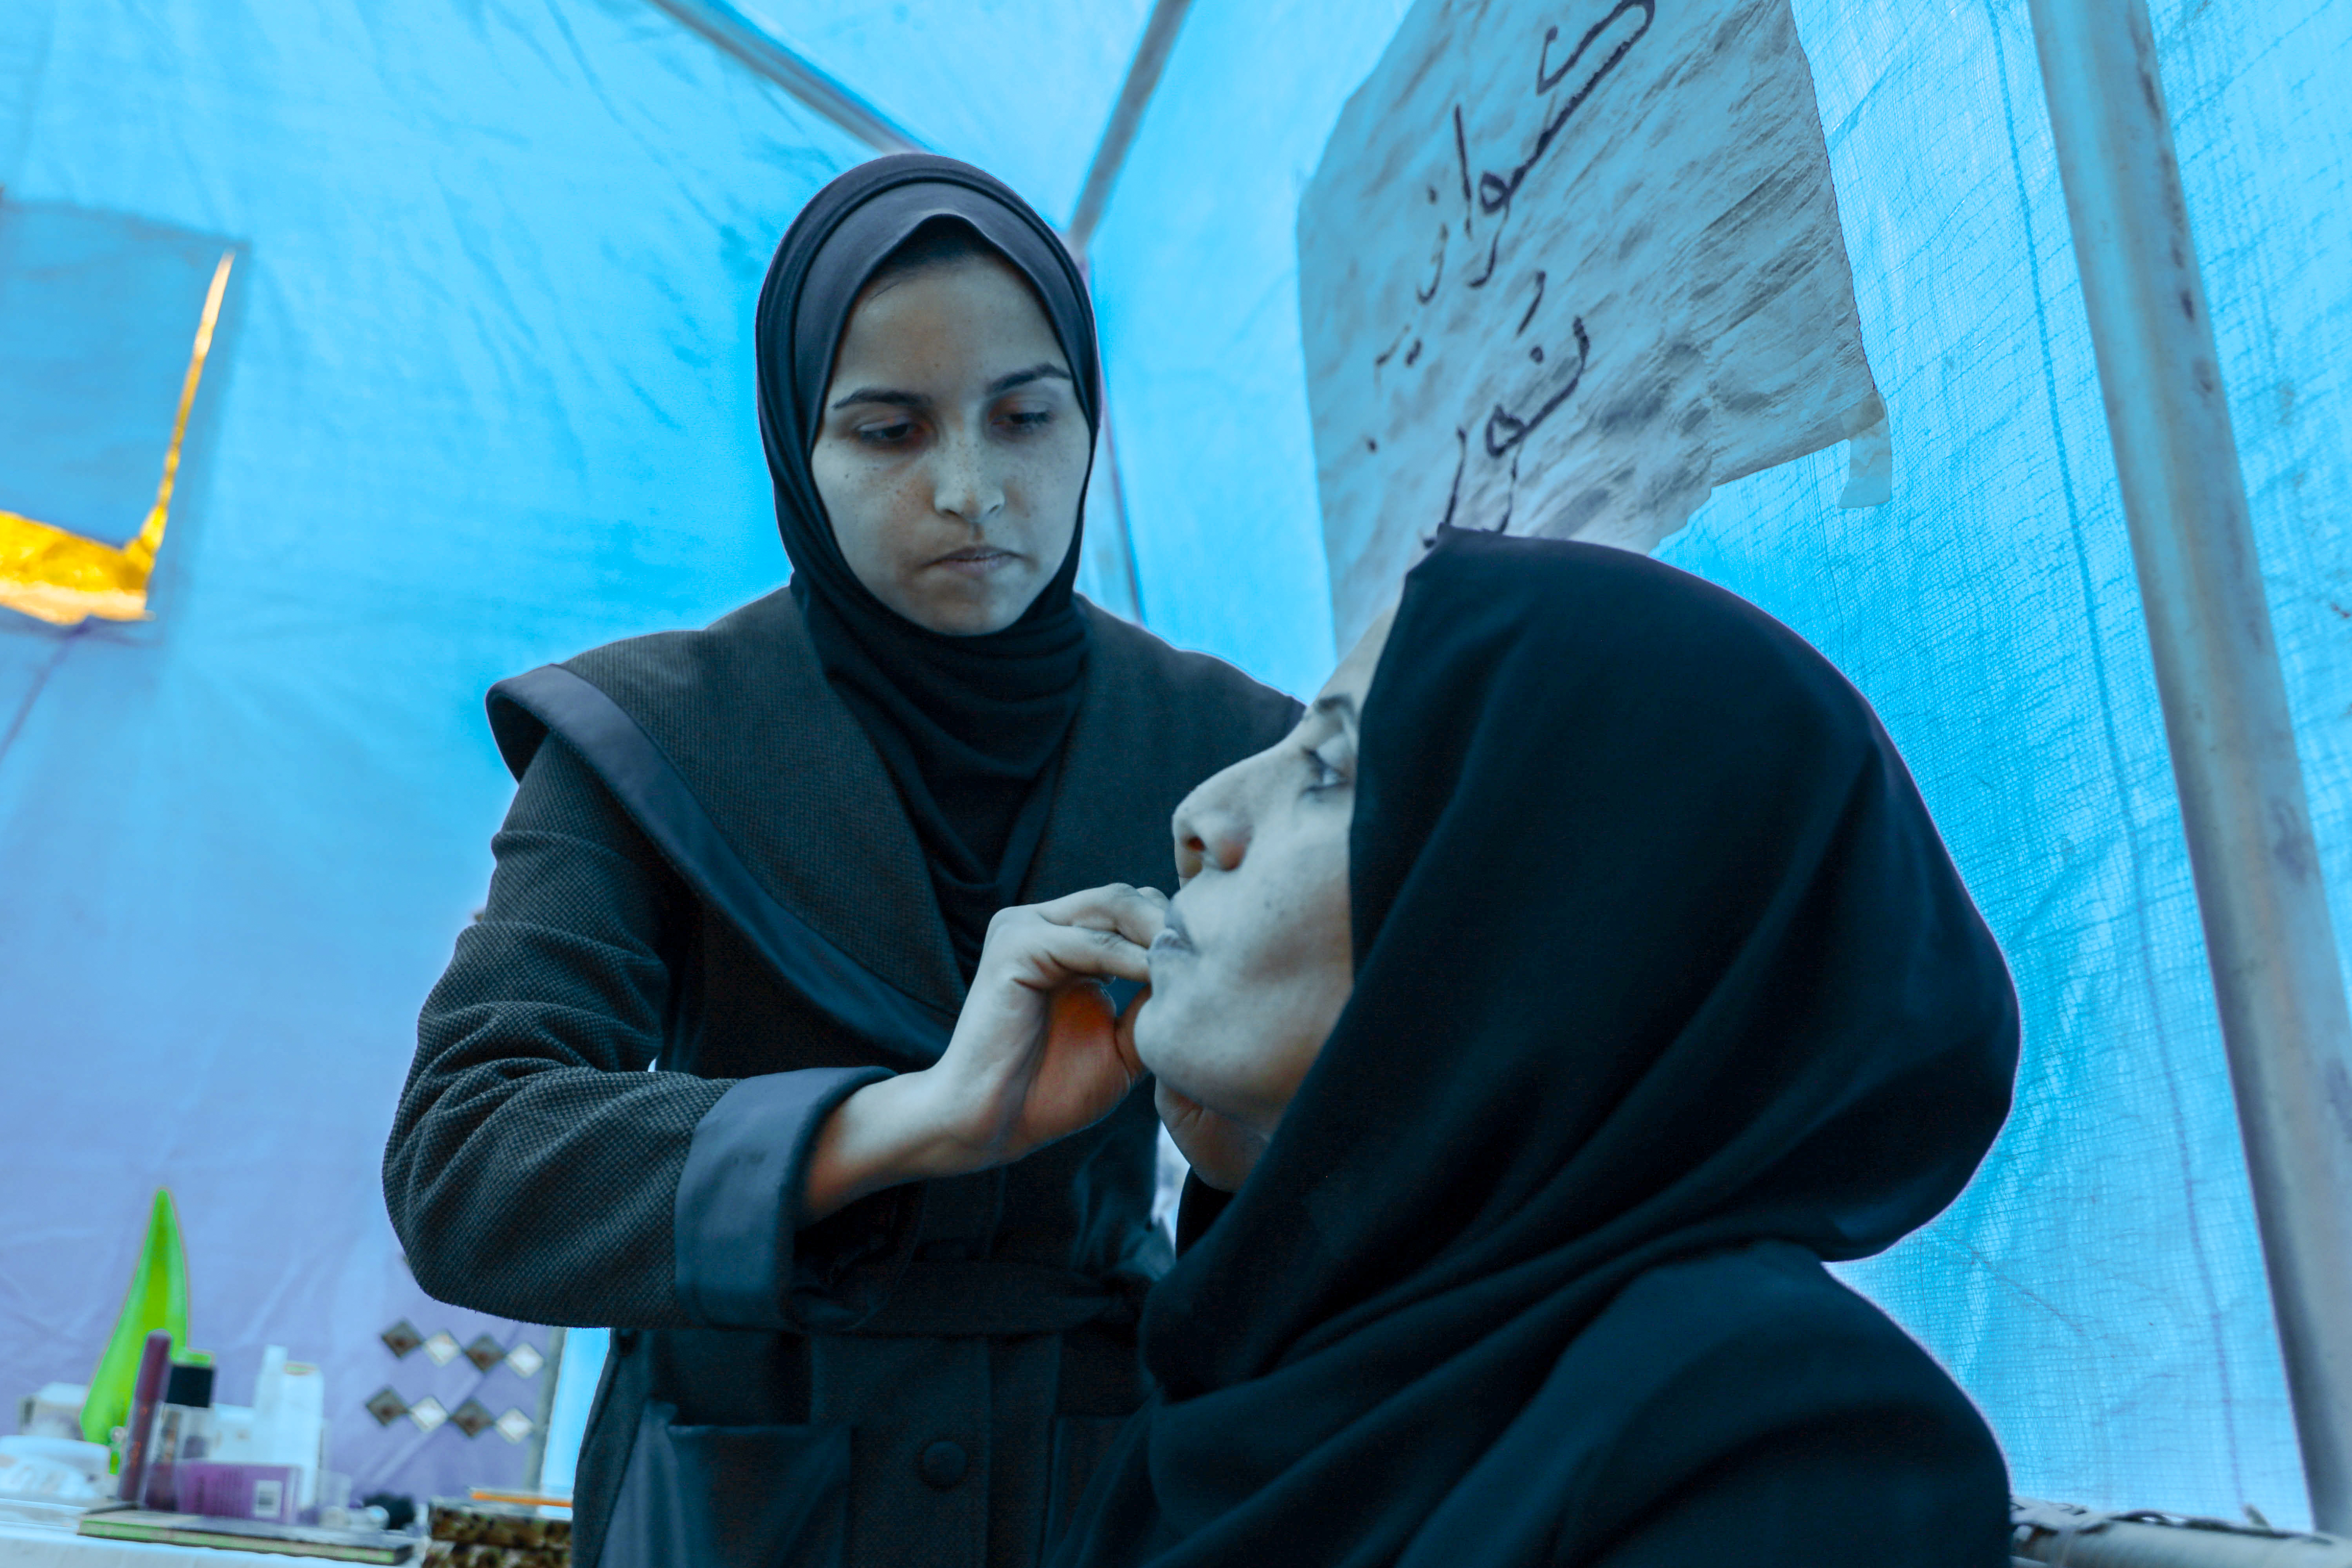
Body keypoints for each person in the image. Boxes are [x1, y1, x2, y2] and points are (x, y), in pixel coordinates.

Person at [381, 154, 1298, 1568]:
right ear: (794, 453)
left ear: (1089, 419)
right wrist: (908, 1122)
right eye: (886, 430)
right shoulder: (646, 740)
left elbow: (1361, 1178)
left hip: (1107, 1491)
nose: (971, 490)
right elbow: (468, 1162)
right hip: (742, 1497)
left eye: (1025, 416)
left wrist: (1242, 1148)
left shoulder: (1237, 754)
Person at [1056, 527, 2024, 1566]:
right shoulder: (1257, 1380)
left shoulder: (1775, 1436)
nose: (1204, 816)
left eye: (1330, 771)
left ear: (1545, 916)